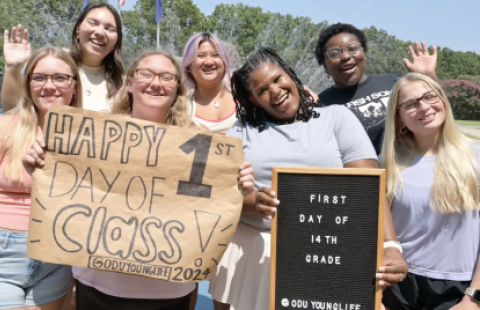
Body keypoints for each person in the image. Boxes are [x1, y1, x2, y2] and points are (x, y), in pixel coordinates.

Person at [23, 50, 255, 310]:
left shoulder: (198, 137)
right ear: (130, 83)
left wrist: (238, 184)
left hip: (170, 289)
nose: (156, 83)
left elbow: (211, 204)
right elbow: (69, 186)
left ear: (177, 88)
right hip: (99, 285)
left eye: (167, 77)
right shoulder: (95, 131)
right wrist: (40, 166)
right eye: (146, 74)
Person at [208, 47, 408, 310]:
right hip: (254, 254)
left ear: (291, 76)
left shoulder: (337, 118)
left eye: (278, 79)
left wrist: (391, 246)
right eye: (262, 90)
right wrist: (254, 200)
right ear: (254, 100)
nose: (275, 91)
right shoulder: (241, 131)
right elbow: (222, 192)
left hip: (329, 250)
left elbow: (368, 190)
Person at [380, 73, 480, 310]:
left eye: (429, 96)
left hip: (459, 286)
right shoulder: (385, 163)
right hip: (398, 284)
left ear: (443, 101)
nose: (423, 106)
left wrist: (473, 298)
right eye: (411, 104)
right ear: (400, 119)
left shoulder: (475, 158)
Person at [0, 46, 83, 310]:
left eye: (60, 78)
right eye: (39, 77)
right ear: (28, 84)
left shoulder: (92, 137)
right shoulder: (6, 126)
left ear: (75, 86)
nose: (50, 86)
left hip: (58, 254)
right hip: (6, 250)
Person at [315, 23, 437, 154]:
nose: (345, 56)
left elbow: (436, 113)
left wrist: (428, 77)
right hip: (367, 172)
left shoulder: (397, 83)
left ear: (364, 53)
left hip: (413, 165)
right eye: (334, 53)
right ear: (325, 66)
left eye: (352, 48)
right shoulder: (322, 105)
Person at [2, 2, 124, 113]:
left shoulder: (124, 84)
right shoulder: (48, 63)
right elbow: (11, 112)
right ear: (77, 31)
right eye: (92, 23)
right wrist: (12, 68)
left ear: (116, 42)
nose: (100, 32)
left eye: (110, 29)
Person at [182, 32, 237, 135]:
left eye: (215, 55)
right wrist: (206, 140)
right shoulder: (181, 106)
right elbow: (176, 147)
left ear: (224, 62)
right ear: (189, 65)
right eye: (201, 56)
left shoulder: (243, 97)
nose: (209, 62)